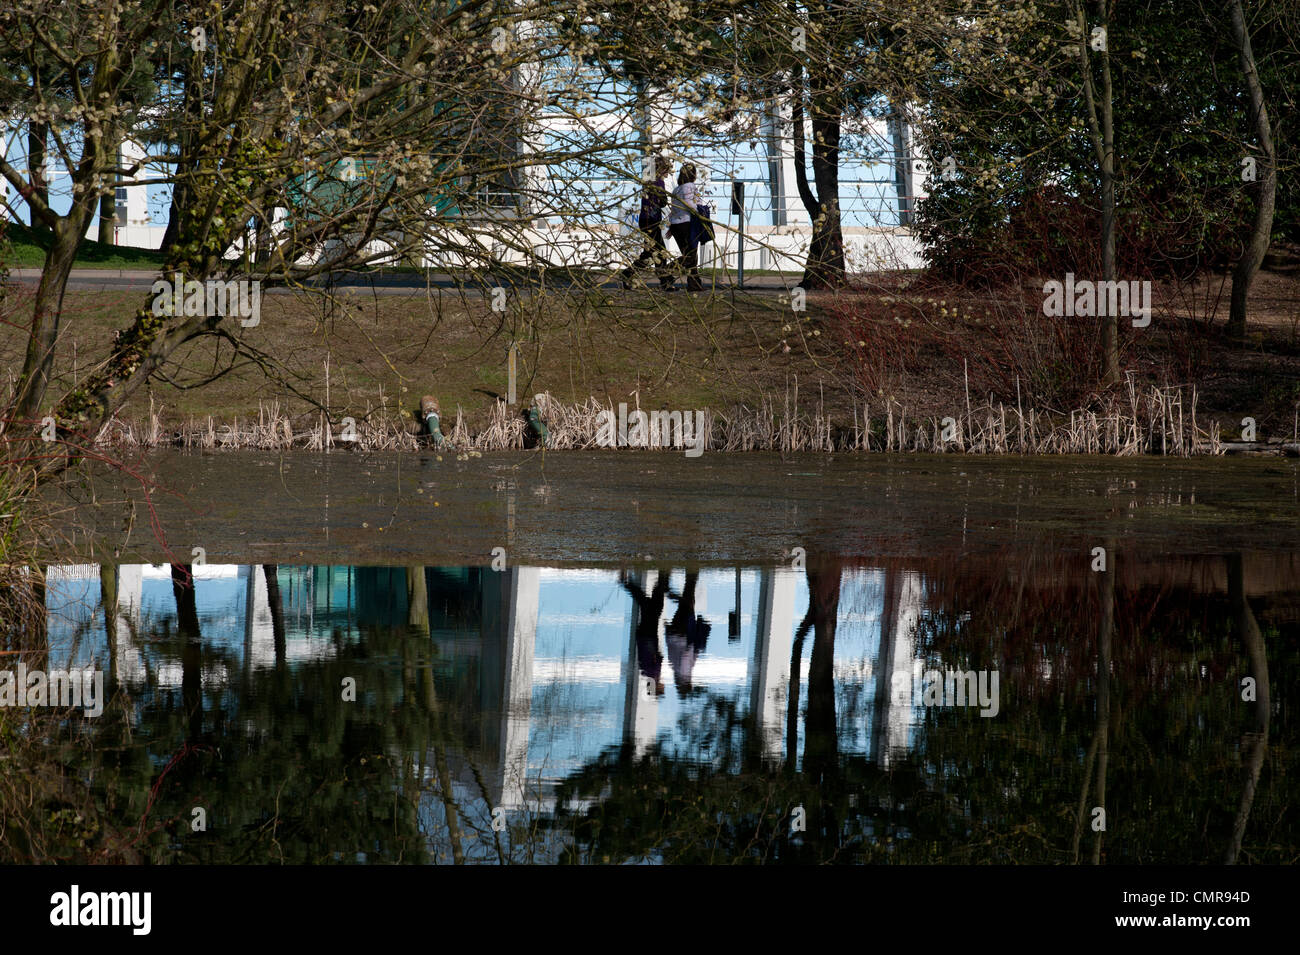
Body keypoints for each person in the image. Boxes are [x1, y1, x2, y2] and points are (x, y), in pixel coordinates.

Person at [621, 155, 675, 290]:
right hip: (652, 221)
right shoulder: (659, 182)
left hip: (645, 219)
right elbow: (662, 202)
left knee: (650, 252)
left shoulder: (647, 180)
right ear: (661, 170)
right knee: (660, 252)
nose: (668, 175)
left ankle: (629, 273)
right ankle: (664, 281)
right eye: (667, 171)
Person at [667, 162, 705, 292]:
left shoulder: (676, 189)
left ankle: (694, 284)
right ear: (692, 174)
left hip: (677, 225)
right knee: (691, 256)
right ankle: (668, 270)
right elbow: (690, 203)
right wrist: (700, 211)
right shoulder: (690, 186)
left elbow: (673, 209)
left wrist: (671, 227)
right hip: (686, 224)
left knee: (689, 255)